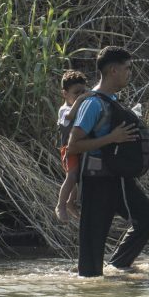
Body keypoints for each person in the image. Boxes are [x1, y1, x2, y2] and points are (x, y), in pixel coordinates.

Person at [66, 46, 149, 277]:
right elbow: (73, 146)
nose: (130, 73)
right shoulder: (92, 104)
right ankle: (90, 292)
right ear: (113, 70)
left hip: (117, 180)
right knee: (90, 260)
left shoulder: (113, 101)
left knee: (147, 217)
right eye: (127, 68)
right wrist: (112, 138)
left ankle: (118, 267)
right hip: (96, 183)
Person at [55, 70, 88, 222]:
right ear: (65, 94)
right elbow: (70, 116)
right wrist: (81, 100)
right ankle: (61, 205)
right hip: (68, 150)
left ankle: (71, 203)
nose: (80, 95)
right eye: (76, 93)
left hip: (80, 148)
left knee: (78, 177)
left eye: (83, 91)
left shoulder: (81, 106)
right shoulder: (64, 110)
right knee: (72, 176)